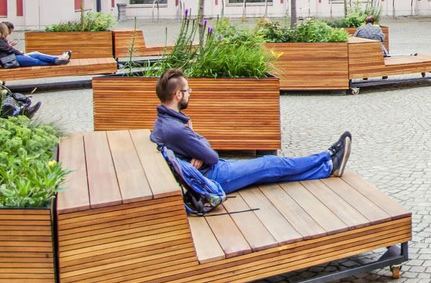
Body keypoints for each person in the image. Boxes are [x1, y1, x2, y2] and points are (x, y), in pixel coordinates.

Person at [150, 69, 352, 194]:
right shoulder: (177, 129)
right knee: (270, 163)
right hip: (216, 177)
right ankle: (326, 156)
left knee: (270, 172)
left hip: (210, 172)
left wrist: (196, 146)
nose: (190, 94)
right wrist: (198, 145)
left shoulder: (165, 122)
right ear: (178, 94)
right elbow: (211, 156)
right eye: (188, 90)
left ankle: (327, 168)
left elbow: (202, 147)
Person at [0, 22, 71, 68]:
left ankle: (58, 59)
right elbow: (9, 49)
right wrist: (22, 53)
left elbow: (6, 49)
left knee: (36, 55)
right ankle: (57, 60)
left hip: (10, 59)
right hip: (10, 60)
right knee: (36, 60)